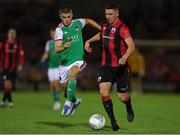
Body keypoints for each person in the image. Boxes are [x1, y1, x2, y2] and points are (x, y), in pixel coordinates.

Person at [85, 2, 135, 131]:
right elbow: (101, 35)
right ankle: (113, 122)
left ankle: (128, 105)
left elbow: (131, 46)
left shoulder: (123, 28)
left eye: (110, 14)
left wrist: (124, 57)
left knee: (122, 97)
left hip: (120, 67)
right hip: (106, 66)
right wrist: (89, 40)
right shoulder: (105, 26)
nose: (108, 16)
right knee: (103, 91)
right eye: (106, 14)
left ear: (117, 14)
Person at [54, 6, 101, 115]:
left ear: (72, 15)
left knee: (72, 73)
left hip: (78, 60)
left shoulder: (78, 23)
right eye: (64, 17)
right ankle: (75, 102)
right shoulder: (59, 30)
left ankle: (67, 104)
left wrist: (100, 29)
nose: (67, 19)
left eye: (69, 16)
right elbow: (57, 49)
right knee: (65, 92)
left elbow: (88, 21)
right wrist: (64, 47)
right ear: (60, 17)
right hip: (64, 63)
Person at [0, 28, 24, 108]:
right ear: (8, 34)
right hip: (5, 67)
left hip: (13, 68)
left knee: (9, 85)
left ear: (15, 35)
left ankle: (3, 101)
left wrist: (20, 64)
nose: (12, 34)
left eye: (14, 33)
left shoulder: (17, 44)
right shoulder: (3, 43)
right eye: (11, 33)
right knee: (7, 84)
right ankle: (10, 102)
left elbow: (21, 55)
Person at [41, 27, 61, 110]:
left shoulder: (60, 42)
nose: (53, 35)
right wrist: (43, 58)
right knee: (51, 86)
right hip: (50, 67)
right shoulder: (48, 43)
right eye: (52, 33)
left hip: (58, 67)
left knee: (56, 84)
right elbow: (46, 53)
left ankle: (57, 102)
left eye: (54, 33)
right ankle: (55, 101)